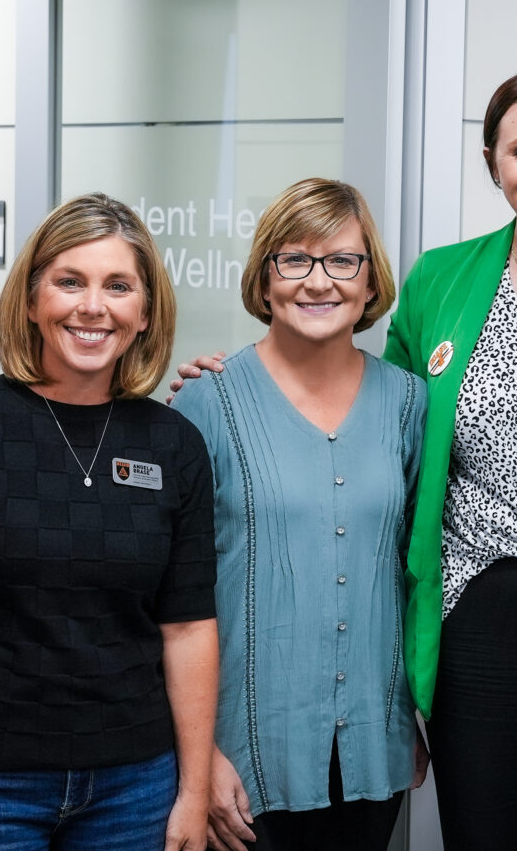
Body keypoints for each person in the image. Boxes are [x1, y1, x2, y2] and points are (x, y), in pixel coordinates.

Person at [174, 66, 517, 850]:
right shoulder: (442, 280)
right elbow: (381, 426)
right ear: (492, 163)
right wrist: (236, 385)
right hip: (477, 629)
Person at [0, 193, 219, 851]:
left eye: (118, 286)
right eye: (70, 281)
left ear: (145, 313)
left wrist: (193, 791)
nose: (93, 306)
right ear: (31, 300)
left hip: (135, 786)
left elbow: (188, 628)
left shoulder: (173, 444)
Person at [170, 178, 428, 851]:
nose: (318, 281)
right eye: (294, 260)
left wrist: (413, 718)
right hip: (242, 751)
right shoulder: (206, 402)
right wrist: (199, 757)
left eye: (342, 260)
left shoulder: (407, 403)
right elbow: (169, 598)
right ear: (264, 279)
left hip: (373, 749)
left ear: (370, 282)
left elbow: (416, 569)